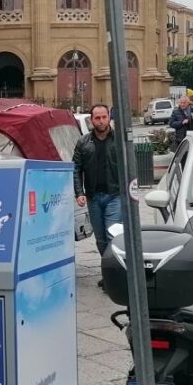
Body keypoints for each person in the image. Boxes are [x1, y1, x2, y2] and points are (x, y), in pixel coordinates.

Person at [72, 103, 123, 270]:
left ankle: (115, 274)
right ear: (91, 120)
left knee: (111, 235)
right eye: (97, 118)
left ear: (109, 118)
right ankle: (109, 271)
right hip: (93, 198)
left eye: (104, 117)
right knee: (100, 239)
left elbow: (130, 168)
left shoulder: (120, 140)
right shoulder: (83, 142)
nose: (101, 121)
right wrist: (79, 192)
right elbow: (76, 167)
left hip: (115, 195)